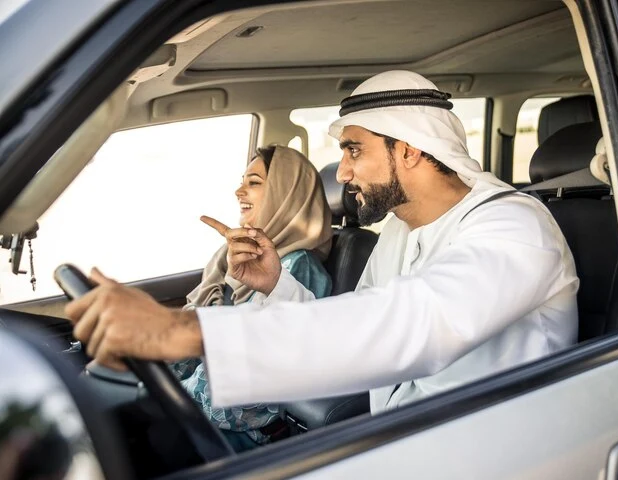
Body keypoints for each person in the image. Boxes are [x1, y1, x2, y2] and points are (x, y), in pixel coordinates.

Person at [66, 70, 579, 415]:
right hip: (402, 442)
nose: (344, 172)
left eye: (354, 151)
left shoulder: (515, 226)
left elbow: (413, 323)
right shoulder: (401, 229)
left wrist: (185, 331)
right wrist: (277, 285)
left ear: (409, 151)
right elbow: (355, 325)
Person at [173, 145, 333, 451]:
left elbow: (263, 372)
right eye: (242, 182)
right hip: (204, 407)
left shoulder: (299, 267)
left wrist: (164, 394)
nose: (239, 191)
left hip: (246, 432)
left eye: (254, 182)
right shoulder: (234, 256)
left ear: (285, 194)